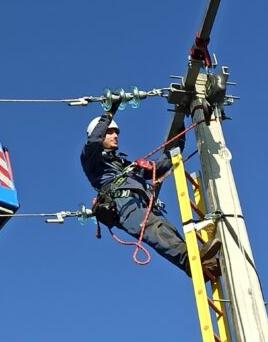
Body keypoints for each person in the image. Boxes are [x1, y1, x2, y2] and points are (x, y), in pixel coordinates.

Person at [80, 100, 221, 277]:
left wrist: (179, 129)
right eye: (110, 132)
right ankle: (190, 260)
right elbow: (93, 142)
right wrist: (110, 113)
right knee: (155, 230)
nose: (115, 136)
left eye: (116, 132)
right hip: (124, 204)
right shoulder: (93, 161)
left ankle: (202, 265)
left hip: (142, 203)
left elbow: (161, 165)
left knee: (166, 229)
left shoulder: (124, 164)